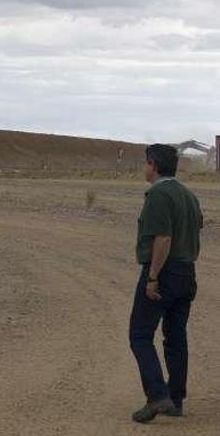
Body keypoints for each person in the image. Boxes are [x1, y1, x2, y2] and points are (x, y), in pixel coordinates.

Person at [129, 144, 203, 423]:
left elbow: (163, 238)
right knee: (176, 337)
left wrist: (152, 278)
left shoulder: (159, 194)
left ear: (154, 165)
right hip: (187, 272)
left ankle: (158, 396)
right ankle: (176, 399)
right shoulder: (189, 195)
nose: (144, 168)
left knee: (139, 335)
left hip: (165, 272)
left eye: (146, 163)